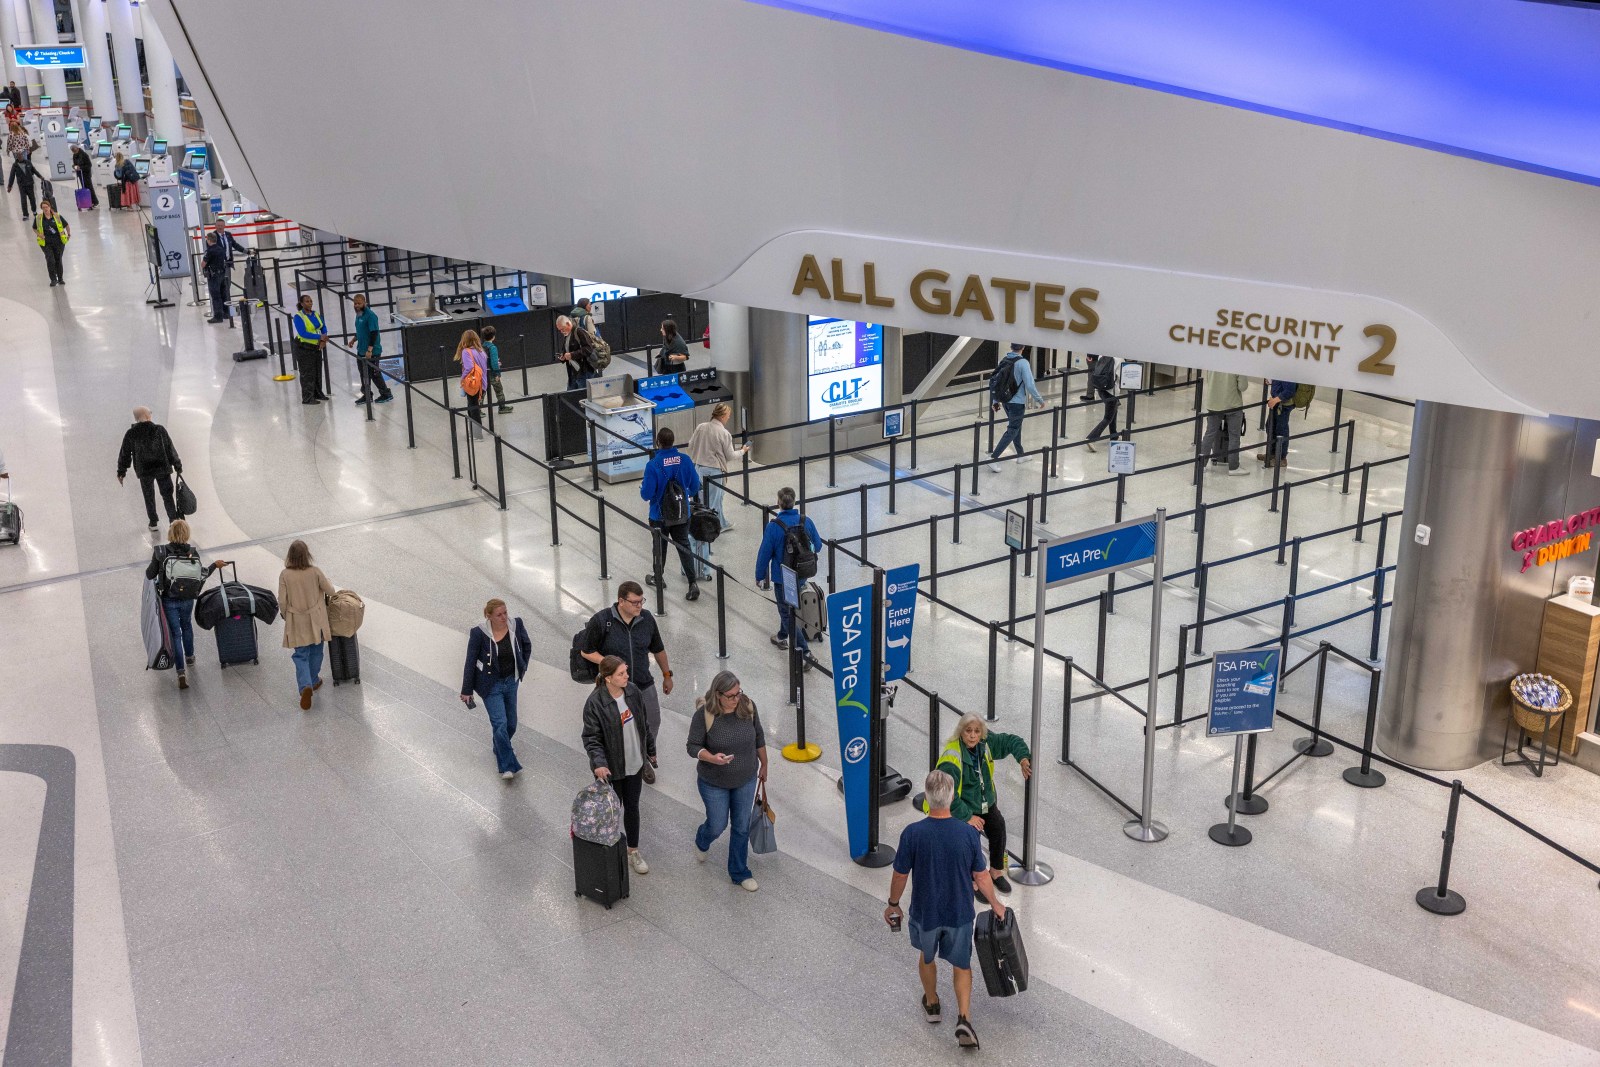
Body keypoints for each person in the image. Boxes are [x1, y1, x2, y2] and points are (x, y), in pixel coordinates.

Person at [885, 770, 1006, 1050]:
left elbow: (900, 875)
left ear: (928, 798)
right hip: (959, 913)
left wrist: (893, 905)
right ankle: (964, 1018)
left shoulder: (913, 833)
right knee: (962, 965)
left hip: (926, 914)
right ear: (952, 797)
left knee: (926, 958)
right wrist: (996, 904)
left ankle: (933, 1004)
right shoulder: (968, 834)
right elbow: (982, 876)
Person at [687, 670, 768, 892]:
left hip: (746, 777)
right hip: (713, 781)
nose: (736, 699)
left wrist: (765, 765)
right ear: (718, 694)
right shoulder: (705, 715)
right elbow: (692, 747)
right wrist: (712, 758)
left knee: (741, 827)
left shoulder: (748, 707)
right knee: (717, 824)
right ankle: (702, 839)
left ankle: (739, 872)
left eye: (738, 693)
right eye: (731, 696)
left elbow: (759, 737)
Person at [934, 715, 1031, 895]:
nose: (972, 736)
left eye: (976, 731)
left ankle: (995, 871)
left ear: (982, 733)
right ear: (960, 732)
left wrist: (1023, 758)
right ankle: (974, 878)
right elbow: (946, 794)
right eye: (968, 731)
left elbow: (1011, 741)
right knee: (971, 837)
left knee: (998, 827)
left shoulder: (985, 743)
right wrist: (967, 817)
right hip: (962, 808)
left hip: (985, 803)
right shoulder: (952, 757)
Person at [581, 655, 658, 876]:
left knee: (632, 808)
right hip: (612, 769)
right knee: (612, 812)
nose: (627, 676)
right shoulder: (595, 702)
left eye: (626, 672)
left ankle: (633, 850)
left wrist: (650, 750)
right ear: (608, 678)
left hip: (634, 764)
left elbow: (643, 724)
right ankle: (610, 852)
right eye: (621, 674)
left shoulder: (632, 691)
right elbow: (591, 738)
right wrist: (599, 764)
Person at [580, 581, 675, 744]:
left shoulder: (646, 619)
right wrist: (609, 663)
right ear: (621, 601)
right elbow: (586, 651)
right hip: (614, 688)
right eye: (634, 602)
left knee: (652, 722)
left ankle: (645, 755)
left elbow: (658, 649)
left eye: (641, 601)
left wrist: (667, 675)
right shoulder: (602, 620)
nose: (639, 606)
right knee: (616, 728)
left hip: (643, 683)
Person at [145, 519, 228, 690]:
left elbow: (149, 573)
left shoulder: (161, 552)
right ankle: (190, 656)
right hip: (187, 599)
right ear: (187, 534)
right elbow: (201, 575)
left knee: (176, 633)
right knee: (187, 626)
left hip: (169, 599)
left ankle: (181, 671)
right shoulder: (192, 553)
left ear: (170, 534)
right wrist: (214, 565)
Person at [459, 598, 532, 780]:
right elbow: (470, 661)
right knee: (499, 723)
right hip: (490, 685)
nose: (504, 617)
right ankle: (507, 766)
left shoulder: (516, 625)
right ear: (489, 616)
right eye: (499, 614)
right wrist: (466, 689)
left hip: (511, 682)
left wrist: (522, 666)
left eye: (505, 612)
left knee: (511, 723)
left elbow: (526, 646)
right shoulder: (479, 633)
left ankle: (499, 745)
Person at [755, 487, 822, 657]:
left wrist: (759, 575)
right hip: (802, 574)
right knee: (787, 607)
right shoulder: (806, 521)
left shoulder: (774, 527)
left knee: (786, 613)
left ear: (779, 503)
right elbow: (818, 546)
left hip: (783, 577)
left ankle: (805, 651)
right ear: (794, 502)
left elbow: (764, 553)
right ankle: (781, 636)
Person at [639, 426, 702, 601]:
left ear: (658, 443)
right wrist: (681, 496)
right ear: (673, 442)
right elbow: (695, 486)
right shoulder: (685, 460)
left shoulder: (653, 465)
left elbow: (646, 494)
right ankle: (692, 583)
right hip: (682, 513)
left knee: (659, 547)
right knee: (683, 546)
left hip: (659, 516)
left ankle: (658, 578)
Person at [685, 402, 747, 575]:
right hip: (714, 471)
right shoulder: (724, 433)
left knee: (701, 500)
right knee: (713, 502)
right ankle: (709, 531)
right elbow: (730, 456)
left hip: (698, 468)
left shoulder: (701, 427)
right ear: (722, 416)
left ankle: (721, 522)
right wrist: (743, 450)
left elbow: (690, 445)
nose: (728, 418)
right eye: (727, 416)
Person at [276, 540, 335, 710]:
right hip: (316, 619)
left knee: (301, 654)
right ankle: (314, 680)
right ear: (307, 554)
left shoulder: (285, 574)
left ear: (290, 556)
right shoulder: (315, 572)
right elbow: (330, 591)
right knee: (317, 650)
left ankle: (305, 686)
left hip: (297, 619)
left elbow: (282, 600)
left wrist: (287, 615)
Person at [116, 406, 183, 532]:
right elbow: (170, 449)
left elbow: (125, 454)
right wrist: (177, 464)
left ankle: (153, 523)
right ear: (147, 416)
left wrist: (121, 471)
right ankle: (173, 521)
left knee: (149, 497)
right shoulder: (159, 430)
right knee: (167, 495)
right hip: (162, 469)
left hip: (144, 471)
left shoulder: (131, 433)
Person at [986, 343, 1045, 472]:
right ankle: (993, 458)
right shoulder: (1023, 363)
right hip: (1017, 403)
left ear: (1011, 347)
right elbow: (1030, 384)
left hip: (1006, 401)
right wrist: (1039, 400)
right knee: (1013, 429)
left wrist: (996, 401)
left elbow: (997, 383)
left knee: (1016, 427)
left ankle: (1020, 455)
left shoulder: (1004, 359)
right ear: (1022, 348)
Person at [1200, 369, 1252, 476]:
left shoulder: (1214, 359)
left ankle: (1202, 464)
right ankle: (1233, 467)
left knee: (1209, 434)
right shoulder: (1238, 362)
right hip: (1232, 404)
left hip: (1214, 402)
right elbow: (1243, 386)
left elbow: (1209, 379)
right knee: (1234, 436)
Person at [347, 293, 393, 404]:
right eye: (355, 303)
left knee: (374, 374)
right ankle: (367, 395)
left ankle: (386, 394)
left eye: (359, 303)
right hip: (361, 350)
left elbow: (374, 333)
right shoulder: (359, 315)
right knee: (363, 373)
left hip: (372, 351)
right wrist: (354, 340)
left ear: (365, 303)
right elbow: (361, 331)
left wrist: (369, 350)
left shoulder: (371, 315)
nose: (357, 305)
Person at [291, 294, 329, 404]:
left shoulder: (316, 314)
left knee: (317, 371)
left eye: (311, 301)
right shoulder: (298, 317)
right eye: (307, 301)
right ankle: (307, 398)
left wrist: (323, 339)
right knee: (307, 373)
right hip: (304, 348)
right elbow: (303, 333)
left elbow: (323, 326)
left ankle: (318, 393)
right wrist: (320, 337)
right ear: (302, 304)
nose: (310, 303)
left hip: (316, 347)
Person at [454, 328, 489, 438]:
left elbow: (469, 367)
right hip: (483, 384)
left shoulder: (466, 351)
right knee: (473, 407)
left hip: (474, 384)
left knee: (473, 409)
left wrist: (462, 378)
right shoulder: (481, 351)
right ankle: (474, 432)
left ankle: (477, 435)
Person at [1083, 352, 1119, 452]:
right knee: (1108, 417)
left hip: (1101, 388)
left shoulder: (1102, 355)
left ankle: (1114, 435)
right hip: (1112, 392)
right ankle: (1091, 438)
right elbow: (1120, 377)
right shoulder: (1119, 359)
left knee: (1113, 410)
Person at [1261, 378, 1298, 468]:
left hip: (1284, 404)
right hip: (1277, 402)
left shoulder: (1288, 370)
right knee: (1270, 426)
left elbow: (1289, 391)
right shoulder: (1281, 367)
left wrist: (1276, 399)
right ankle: (1273, 453)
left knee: (1281, 430)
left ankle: (1281, 458)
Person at [555, 313, 596, 387]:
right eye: (559, 330)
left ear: (568, 323)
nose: (561, 331)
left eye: (562, 329)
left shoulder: (579, 332)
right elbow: (567, 349)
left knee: (583, 395)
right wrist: (563, 357)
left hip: (584, 371)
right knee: (571, 396)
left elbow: (588, 349)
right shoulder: (567, 334)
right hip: (573, 372)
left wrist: (572, 355)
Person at [33, 200, 67, 286]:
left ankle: (60, 279)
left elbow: (66, 225)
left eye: (46, 207)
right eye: (43, 208)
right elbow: (34, 228)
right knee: (50, 260)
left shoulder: (57, 216)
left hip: (58, 242)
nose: (45, 209)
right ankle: (53, 280)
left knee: (58, 260)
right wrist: (39, 234)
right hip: (46, 243)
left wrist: (68, 234)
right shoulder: (39, 218)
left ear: (49, 207)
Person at [483, 324, 512, 415]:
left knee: (482, 391)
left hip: (483, 373)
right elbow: (495, 363)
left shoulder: (481, 346)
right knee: (499, 390)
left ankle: (478, 409)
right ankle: (502, 407)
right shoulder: (493, 348)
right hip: (492, 373)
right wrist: (498, 374)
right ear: (493, 337)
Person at [202, 232, 230, 322]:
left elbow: (203, 264)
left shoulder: (209, 251)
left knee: (216, 296)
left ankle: (218, 317)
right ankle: (226, 313)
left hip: (214, 276)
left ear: (209, 240)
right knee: (223, 294)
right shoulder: (221, 249)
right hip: (222, 274)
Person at [7, 143, 37, 220]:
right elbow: (12, 176)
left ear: (23, 156)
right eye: (18, 156)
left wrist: (41, 177)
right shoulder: (15, 165)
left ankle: (34, 211)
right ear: (16, 157)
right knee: (23, 200)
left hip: (30, 183)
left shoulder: (28, 162)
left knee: (32, 198)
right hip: (22, 185)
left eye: (21, 155)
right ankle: (25, 215)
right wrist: (10, 186)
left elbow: (34, 170)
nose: (20, 157)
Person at [70, 143, 96, 207]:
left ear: (77, 148)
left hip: (86, 173)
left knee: (89, 187)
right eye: (72, 151)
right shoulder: (74, 155)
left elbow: (89, 165)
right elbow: (75, 163)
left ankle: (94, 201)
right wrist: (74, 166)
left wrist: (81, 167)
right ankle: (88, 201)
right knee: (84, 187)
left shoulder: (84, 155)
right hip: (80, 174)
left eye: (74, 150)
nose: (74, 151)